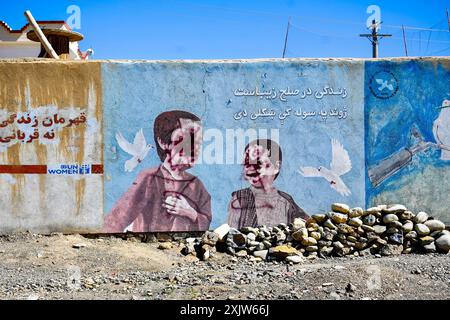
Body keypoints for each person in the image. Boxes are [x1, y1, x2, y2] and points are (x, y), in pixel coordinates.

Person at [104, 110, 212, 232]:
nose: (193, 147)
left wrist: (191, 213)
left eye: (197, 141)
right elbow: (118, 217)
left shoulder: (197, 186)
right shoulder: (150, 178)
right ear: (163, 142)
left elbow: (206, 222)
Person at [227, 139, 309, 229]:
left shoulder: (286, 201)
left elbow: (308, 226)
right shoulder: (239, 198)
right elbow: (231, 233)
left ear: (276, 167)